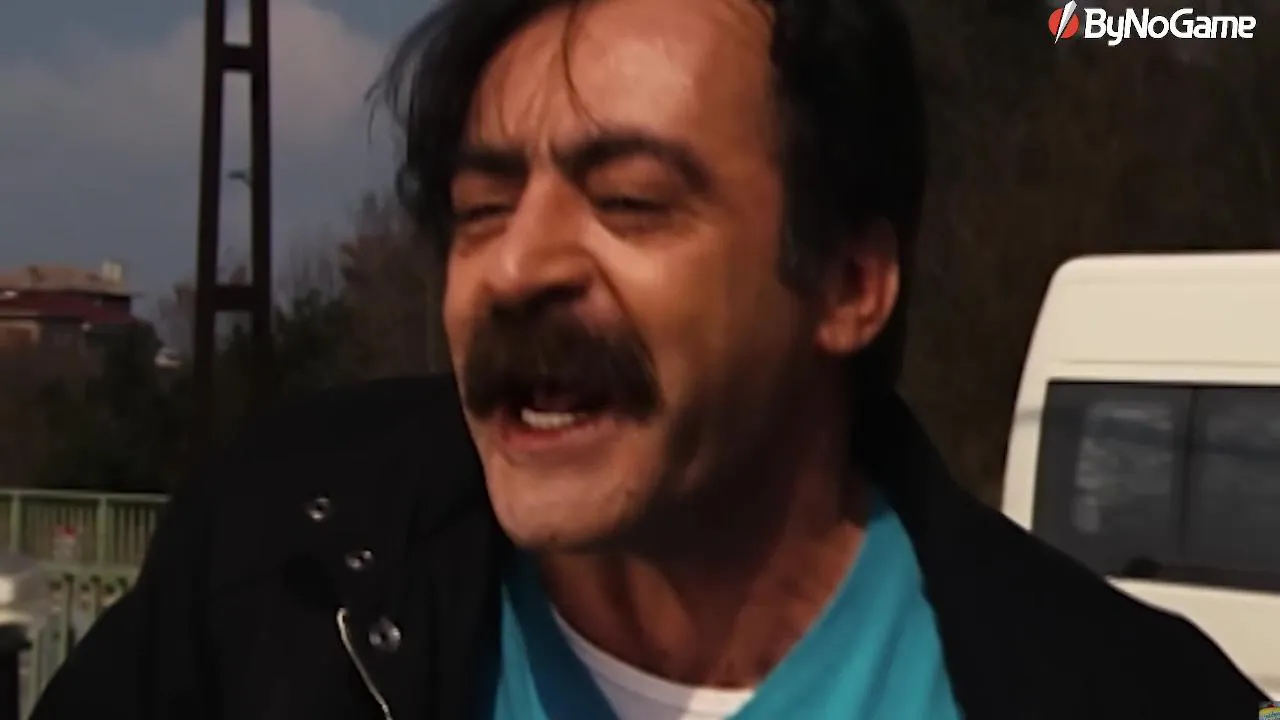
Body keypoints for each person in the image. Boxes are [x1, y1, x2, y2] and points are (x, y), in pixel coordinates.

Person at [30, 0, 1264, 718]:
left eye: (627, 200)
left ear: (847, 284)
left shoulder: (1116, 693)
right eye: (479, 209)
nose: (516, 267)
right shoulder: (274, 575)